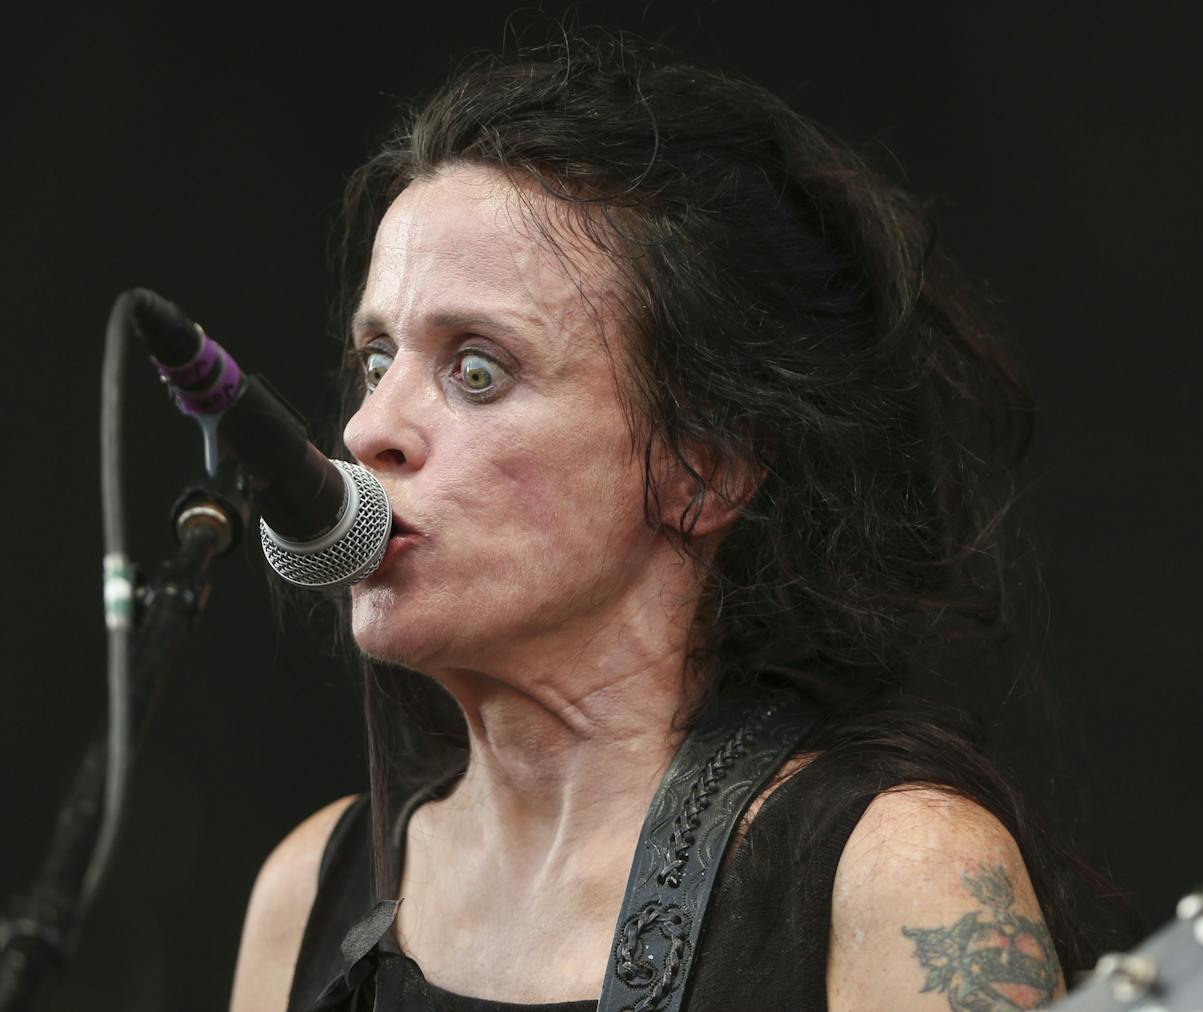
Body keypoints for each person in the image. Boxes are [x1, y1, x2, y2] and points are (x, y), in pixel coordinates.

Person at [230, 29, 1101, 1012]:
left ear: (700, 468)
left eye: (478, 370)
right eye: (378, 359)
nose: (366, 426)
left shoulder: (896, 872)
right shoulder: (307, 891)